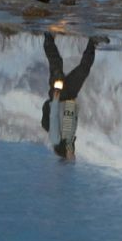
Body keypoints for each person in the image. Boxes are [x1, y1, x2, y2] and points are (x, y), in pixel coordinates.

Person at [40, 31, 97, 159]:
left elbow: (54, 117)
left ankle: (48, 38)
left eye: (71, 156)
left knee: (56, 65)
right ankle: (92, 43)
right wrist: (74, 105)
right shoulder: (70, 141)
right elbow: (72, 120)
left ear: (65, 154)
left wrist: (55, 99)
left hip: (58, 96)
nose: (73, 155)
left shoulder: (55, 140)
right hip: (69, 96)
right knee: (83, 70)